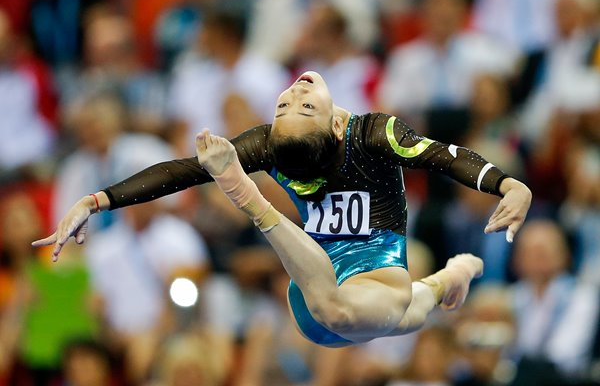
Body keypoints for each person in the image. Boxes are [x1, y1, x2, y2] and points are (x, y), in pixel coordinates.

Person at [33, 70, 532, 347]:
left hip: (372, 281)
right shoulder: (270, 144)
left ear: (339, 125)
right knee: (382, 312)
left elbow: (444, 157)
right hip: (311, 287)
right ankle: (445, 279)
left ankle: (451, 276)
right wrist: (96, 199)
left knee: (399, 309)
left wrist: (510, 184)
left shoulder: (375, 133)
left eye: (300, 105)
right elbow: (182, 171)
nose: (294, 94)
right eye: (289, 105)